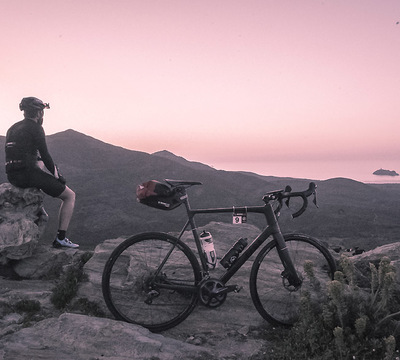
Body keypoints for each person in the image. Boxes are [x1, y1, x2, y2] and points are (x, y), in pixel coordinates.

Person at [5, 97, 78, 248]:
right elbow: (45, 154)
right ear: (38, 113)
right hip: (28, 174)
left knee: (38, 163)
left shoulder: (12, 128)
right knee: (69, 196)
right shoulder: (35, 127)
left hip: (13, 176)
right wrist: (58, 176)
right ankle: (61, 238)